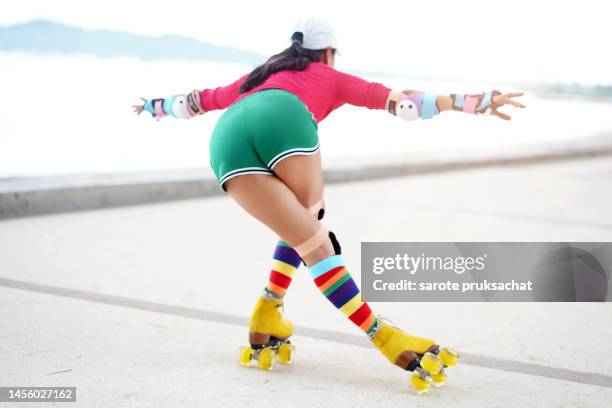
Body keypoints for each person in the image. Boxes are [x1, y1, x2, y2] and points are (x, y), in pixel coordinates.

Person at [133, 17, 525, 393]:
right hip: (283, 118)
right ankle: (385, 336)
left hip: (225, 140)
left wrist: (154, 107)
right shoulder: (329, 75)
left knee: (300, 228)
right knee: (314, 225)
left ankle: (268, 310)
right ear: (329, 52)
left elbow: (196, 102)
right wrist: (474, 102)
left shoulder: (259, 76)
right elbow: (403, 104)